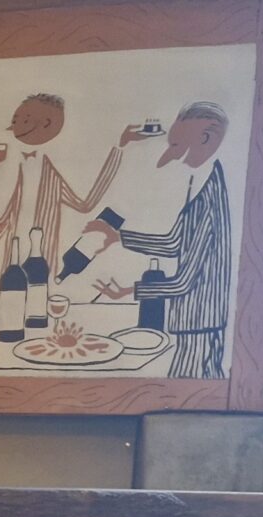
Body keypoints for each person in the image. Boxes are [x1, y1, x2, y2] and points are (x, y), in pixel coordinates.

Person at [86, 101, 232, 378]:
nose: (168, 156)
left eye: (176, 146)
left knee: (189, 400)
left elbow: (184, 281)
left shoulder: (210, 194)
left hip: (200, 324)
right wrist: (117, 238)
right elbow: (173, 243)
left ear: (205, 139)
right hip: (191, 323)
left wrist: (128, 292)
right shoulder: (198, 185)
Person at [0, 92, 142, 269]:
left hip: (42, 267)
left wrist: (119, 148)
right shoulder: (17, 170)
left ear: (46, 124)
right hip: (10, 269)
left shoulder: (51, 174)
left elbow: (85, 205)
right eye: (14, 121)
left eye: (25, 121)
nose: (14, 126)